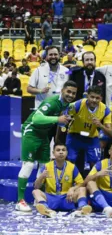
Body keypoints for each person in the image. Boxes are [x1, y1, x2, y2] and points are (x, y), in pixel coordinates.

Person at [16, 80, 77, 212]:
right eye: (68, 91)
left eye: (73, 93)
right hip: (31, 132)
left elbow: (59, 123)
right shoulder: (52, 102)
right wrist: (57, 120)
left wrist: (64, 122)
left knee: (44, 166)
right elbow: (36, 119)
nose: (71, 95)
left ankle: (38, 198)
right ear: (62, 91)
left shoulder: (66, 105)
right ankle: (20, 200)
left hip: (43, 135)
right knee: (28, 165)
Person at [32, 143, 92, 217]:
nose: (61, 152)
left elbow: (81, 183)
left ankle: (82, 208)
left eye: (63, 150)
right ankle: (46, 209)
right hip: (51, 198)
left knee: (82, 189)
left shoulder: (72, 167)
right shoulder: (46, 166)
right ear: (53, 153)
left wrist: (72, 189)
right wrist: (41, 177)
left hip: (67, 198)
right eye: (58, 150)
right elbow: (36, 186)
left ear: (66, 153)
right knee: (35, 192)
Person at [64, 85, 112, 175]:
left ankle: (92, 183)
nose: (94, 100)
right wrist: (67, 120)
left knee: (95, 162)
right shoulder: (76, 105)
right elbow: (63, 119)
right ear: (87, 96)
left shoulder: (105, 110)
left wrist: (100, 125)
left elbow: (110, 133)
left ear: (101, 98)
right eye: (92, 97)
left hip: (91, 138)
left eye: (97, 98)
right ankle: (69, 183)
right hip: (74, 135)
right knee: (70, 160)